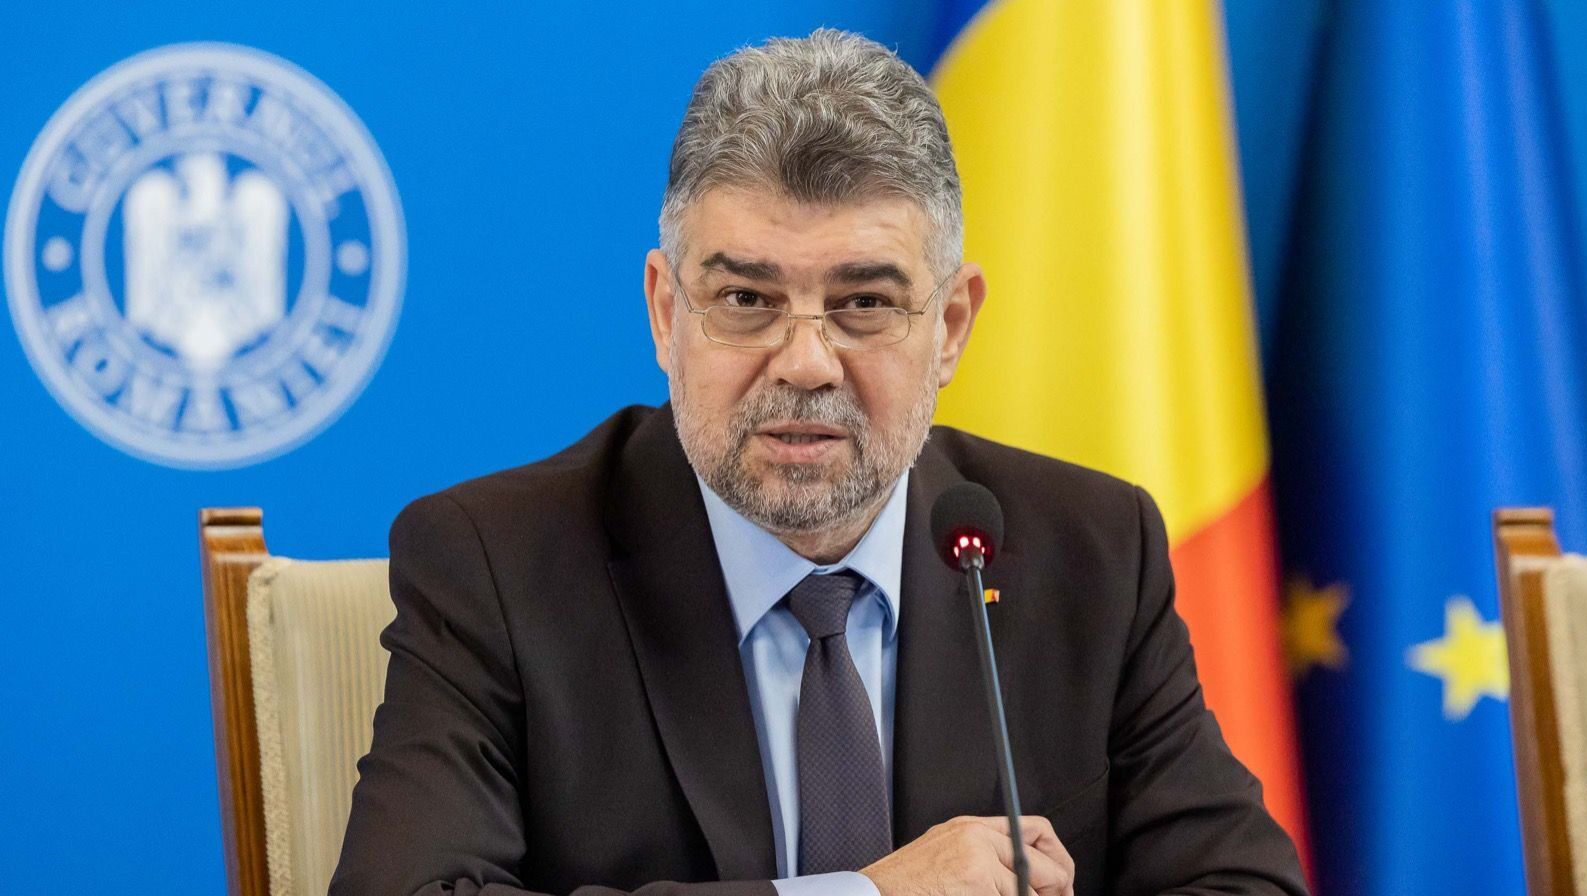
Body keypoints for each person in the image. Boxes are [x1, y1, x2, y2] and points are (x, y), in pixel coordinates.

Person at [331, 29, 1309, 896]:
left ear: (950, 326)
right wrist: (869, 894)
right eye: (747, 300)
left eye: (864, 304)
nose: (805, 362)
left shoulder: (1090, 551)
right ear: (667, 313)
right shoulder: (499, 564)